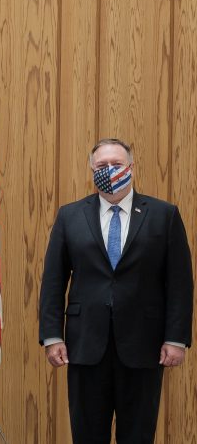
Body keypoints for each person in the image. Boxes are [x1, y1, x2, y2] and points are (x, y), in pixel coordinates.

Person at [39, 138, 193, 443]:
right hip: (85, 346)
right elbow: (53, 280)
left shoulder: (164, 215)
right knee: (87, 434)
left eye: (117, 165)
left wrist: (176, 339)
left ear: (132, 168)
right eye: (102, 166)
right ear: (91, 170)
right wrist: (52, 335)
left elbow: (179, 283)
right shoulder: (69, 216)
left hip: (144, 346)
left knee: (138, 434)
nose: (109, 171)